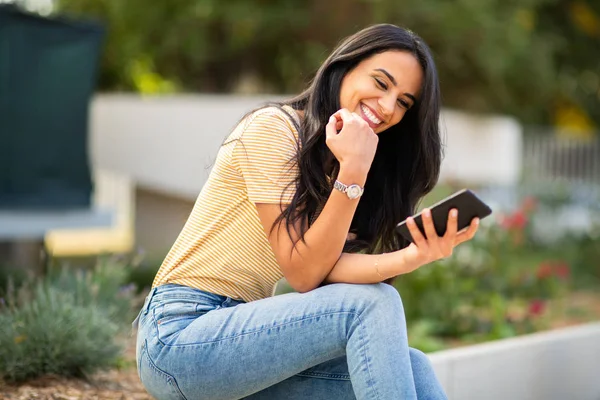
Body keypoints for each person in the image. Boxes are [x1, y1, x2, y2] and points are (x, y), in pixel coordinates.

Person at [133, 23, 479, 400]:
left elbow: (323, 269)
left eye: (403, 102)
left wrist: (413, 255)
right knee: (375, 303)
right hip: (180, 336)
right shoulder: (273, 129)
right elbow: (302, 271)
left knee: (415, 366)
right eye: (381, 83)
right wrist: (354, 171)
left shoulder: (337, 161)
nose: (387, 107)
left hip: (239, 343)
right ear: (344, 68)